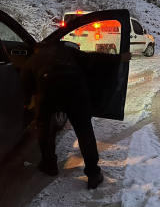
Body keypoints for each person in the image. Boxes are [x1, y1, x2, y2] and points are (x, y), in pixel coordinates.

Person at [20, 42, 131, 189]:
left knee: (44, 127)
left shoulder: (33, 59)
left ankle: (49, 165)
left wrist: (26, 104)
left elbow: (24, 84)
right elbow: (93, 58)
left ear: (37, 49)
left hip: (46, 88)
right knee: (83, 128)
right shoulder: (68, 52)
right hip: (75, 87)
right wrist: (118, 58)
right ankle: (93, 174)